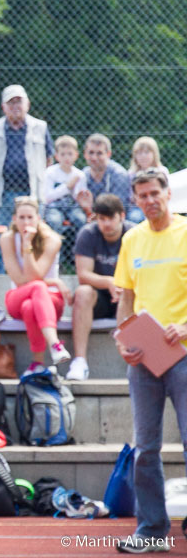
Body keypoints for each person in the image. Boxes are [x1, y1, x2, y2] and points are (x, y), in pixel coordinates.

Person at [113, 168, 187, 554]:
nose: (149, 200)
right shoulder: (132, 239)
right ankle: (152, 530)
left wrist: (184, 326)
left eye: (154, 193)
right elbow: (126, 296)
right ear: (135, 199)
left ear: (167, 193)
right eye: (141, 195)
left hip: (185, 354)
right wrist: (123, 336)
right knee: (145, 447)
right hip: (143, 358)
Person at [0, 85, 54, 273]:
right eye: (11, 102)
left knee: (36, 239)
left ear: (27, 104)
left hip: (32, 194)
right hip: (3, 194)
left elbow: (48, 159)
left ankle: (36, 277)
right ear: (3, 107)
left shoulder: (40, 127)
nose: (15, 106)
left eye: (19, 101)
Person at [0, 196, 71, 375]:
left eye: (30, 217)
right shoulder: (7, 238)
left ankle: (37, 363)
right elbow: (21, 280)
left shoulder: (52, 239)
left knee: (30, 306)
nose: (26, 222)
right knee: (37, 288)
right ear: (14, 219)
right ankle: (54, 343)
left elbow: (34, 275)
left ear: (38, 218)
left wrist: (28, 246)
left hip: (51, 300)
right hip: (19, 294)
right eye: (21, 218)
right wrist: (25, 245)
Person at [69, 194, 135, 382]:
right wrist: (109, 282)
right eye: (101, 219)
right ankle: (80, 361)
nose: (106, 224)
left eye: (110, 218)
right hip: (101, 298)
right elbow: (83, 275)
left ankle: (140, 356)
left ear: (121, 216)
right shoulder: (88, 234)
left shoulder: (134, 234)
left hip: (129, 296)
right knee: (82, 293)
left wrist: (122, 286)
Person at [77, 133, 143, 224]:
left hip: (114, 219)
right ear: (85, 154)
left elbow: (118, 207)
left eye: (99, 153)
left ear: (108, 154)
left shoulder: (119, 174)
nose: (94, 158)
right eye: (91, 152)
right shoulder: (83, 174)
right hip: (91, 216)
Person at [43, 135, 88, 235]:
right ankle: (55, 248)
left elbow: (79, 198)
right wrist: (67, 187)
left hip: (73, 207)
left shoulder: (80, 175)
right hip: (54, 207)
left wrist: (77, 193)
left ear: (76, 155)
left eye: (70, 154)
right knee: (54, 220)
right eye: (63, 154)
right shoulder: (50, 173)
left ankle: (79, 247)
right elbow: (47, 197)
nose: (66, 157)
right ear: (57, 156)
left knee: (80, 219)